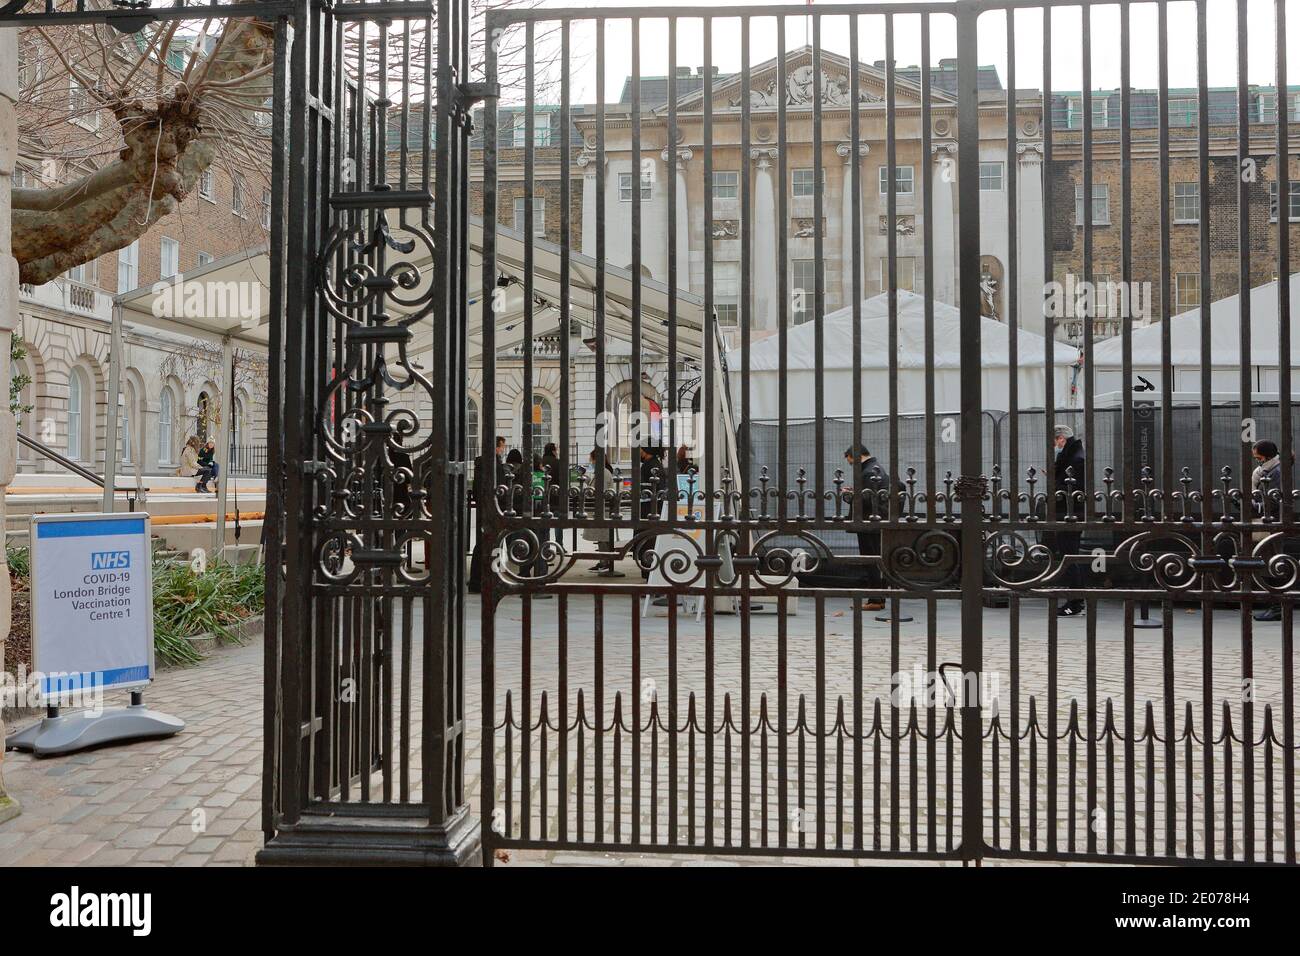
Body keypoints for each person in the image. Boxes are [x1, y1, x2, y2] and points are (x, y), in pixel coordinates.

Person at [844, 444, 893, 612]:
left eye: (851, 462)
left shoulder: (868, 471)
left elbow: (865, 499)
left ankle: (875, 599)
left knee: (870, 560)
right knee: (876, 560)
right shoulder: (875, 468)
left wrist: (849, 495)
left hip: (868, 523)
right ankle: (878, 597)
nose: (851, 465)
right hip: (875, 521)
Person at [1052, 424, 1087, 618]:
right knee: (1070, 556)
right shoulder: (1071, 457)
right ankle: (1076, 600)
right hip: (1068, 514)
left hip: (1070, 514)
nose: (1054, 446)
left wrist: (1056, 482)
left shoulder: (1075, 459)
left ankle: (1075, 602)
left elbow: (1072, 488)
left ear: (1061, 439)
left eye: (1055, 442)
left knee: (1069, 557)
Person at [468, 435, 508, 593]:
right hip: (494, 508)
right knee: (495, 543)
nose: (503, 449)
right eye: (502, 446)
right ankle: (492, 578)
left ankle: (477, 580)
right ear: (496, 447)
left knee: (482, 544)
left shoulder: (480, 464)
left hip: (482, 508)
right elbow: (501, 488)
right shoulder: (495, 464)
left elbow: (477, 490)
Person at [1251, 439, 1283, 622]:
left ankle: (1277, 607)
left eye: (1259, 457)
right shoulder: (1268, 469)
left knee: (1274, 562)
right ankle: (1274, 605)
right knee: (1269, 561)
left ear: (1267, 456)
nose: (1257, 460)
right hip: (1268, 520)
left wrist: (1252, 505)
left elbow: (1272, 499)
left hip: (1273, 521)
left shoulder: (1275, 471)